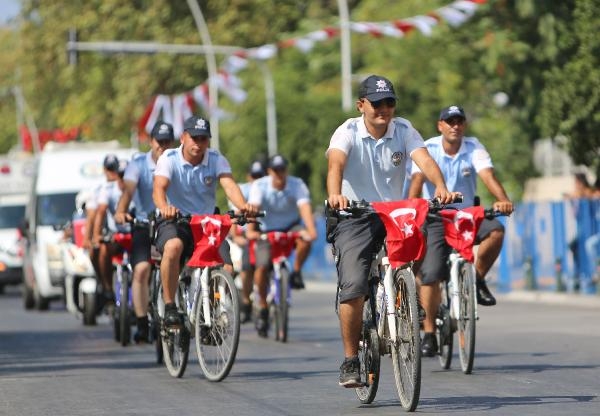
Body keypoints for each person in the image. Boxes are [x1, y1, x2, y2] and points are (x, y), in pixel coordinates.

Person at [326, 75, 456, 387]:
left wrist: (440, 187)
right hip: (354, 214)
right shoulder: (347, 131)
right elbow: (336, 166)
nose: (384, 108)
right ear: (361, 105)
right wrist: (335, 194)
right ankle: (350, 360)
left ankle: (405, 299)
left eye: (390, 102)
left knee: (420, 252)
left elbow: (423, 159)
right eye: (377, 103)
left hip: (393, 214)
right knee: (354, 286)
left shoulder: (404, 129)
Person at [408, 105, 514, 357]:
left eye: (459, 121)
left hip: (467, 215)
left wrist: (503, 199)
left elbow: (488, 176)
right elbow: (416, 182)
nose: (455, 126)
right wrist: (412, 210)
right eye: (450, 121)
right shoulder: (428, 148)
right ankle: (430, 333)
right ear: (440, 125)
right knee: (431, 274)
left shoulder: (473, 147)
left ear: (464, 125)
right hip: (435, 216)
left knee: (496, 231)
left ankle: (475, 279)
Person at [152, 115, 257, 329]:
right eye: (194, 138)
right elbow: (159, 189)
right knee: (173, 247)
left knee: (226, 266)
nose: (199, 144)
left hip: (207, 224)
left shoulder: (216, 159)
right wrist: (165, 208)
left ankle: (211, 315)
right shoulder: (169, 158)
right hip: (176, 220)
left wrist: (243, 206)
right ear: (183, 137)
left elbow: (229, 185)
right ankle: (171, 306)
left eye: (203, 139)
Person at [114, 121, 176, 343]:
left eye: (168, 142)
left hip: (173, 223)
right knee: (141, 270)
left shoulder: (178, 160)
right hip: (144, 225)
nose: (163, 147)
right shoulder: (137, 164)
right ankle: (141, 322)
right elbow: (128, 190)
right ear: (151, 142)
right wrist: (121, 211)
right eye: (160, 142)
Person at [246, 154, 318, 337]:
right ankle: (262, 305)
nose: (280, 174)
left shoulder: (297, 184)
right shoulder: (260, 185)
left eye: (282, 169)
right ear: (269, 171)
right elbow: (253, 208)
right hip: (266, 229)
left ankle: (296, 271)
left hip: (290, 226)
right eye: (275, 170)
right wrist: (251, 231)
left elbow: (304, 208)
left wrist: (310, 230)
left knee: (306, 240)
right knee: (261, 267)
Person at [227, 159, 266, 324]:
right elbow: (234, 217)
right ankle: (245, 299)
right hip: (243, 236)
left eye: (260, 176)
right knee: (246, 266)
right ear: (249, 176)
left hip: (262, 233)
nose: (257, 179)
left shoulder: (266, 188)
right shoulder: (241, 190)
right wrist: (236, 237)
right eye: (254, 176)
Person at [92, 155, 131, 306]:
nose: (122, 180)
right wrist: (96, 235)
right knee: (102, 250)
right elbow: (100, 211)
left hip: (136, 235)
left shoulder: (137, 188)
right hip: (118, 237)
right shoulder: (108, 190)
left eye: (125, 176)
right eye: (120, 176)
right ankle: (108, 288)